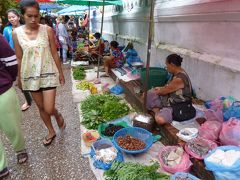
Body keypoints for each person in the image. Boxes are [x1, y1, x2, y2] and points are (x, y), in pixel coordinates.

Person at [13, 0, 66, 146]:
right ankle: (51, 131)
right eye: (29, 16)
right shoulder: (16, 33)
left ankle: (56, 113)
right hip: (30, 76)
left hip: (48, 73)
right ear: (22, 15)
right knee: (41, 107)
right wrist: (19, 78)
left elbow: (55, 54)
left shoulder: (47, 30)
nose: (33, 19)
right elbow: (19, 57)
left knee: (48, 108)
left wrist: (61, 73)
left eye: (36, 16)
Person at [0, 34, 28, 179]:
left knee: (12, 127)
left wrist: (7, 80)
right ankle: (1, 166)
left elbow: (11, 61)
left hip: (2, 91)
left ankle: (19, 149)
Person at [146, 54, 194, 125]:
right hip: (170, 100)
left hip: (178, 106)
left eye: (167, 65)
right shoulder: (177, 73)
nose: (166, 67)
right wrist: (160, 88)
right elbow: (169, 87)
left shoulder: (179, 79)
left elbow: (163, 92)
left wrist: (160, 90)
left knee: (159, 119)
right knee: (149, 93)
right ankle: (157, 110)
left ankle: (157, 111)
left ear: (172, 65)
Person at [3, 9, 32, 111]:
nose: (11, 19)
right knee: (20, 79)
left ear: (19, 17)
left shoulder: (26, 28)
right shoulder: (6, 29)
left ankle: (36, 96)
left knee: (31, 77)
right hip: (15, 59)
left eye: (13, 17)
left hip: (28, 56)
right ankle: (27, 100)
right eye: (9, 17)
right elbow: (5, 45)